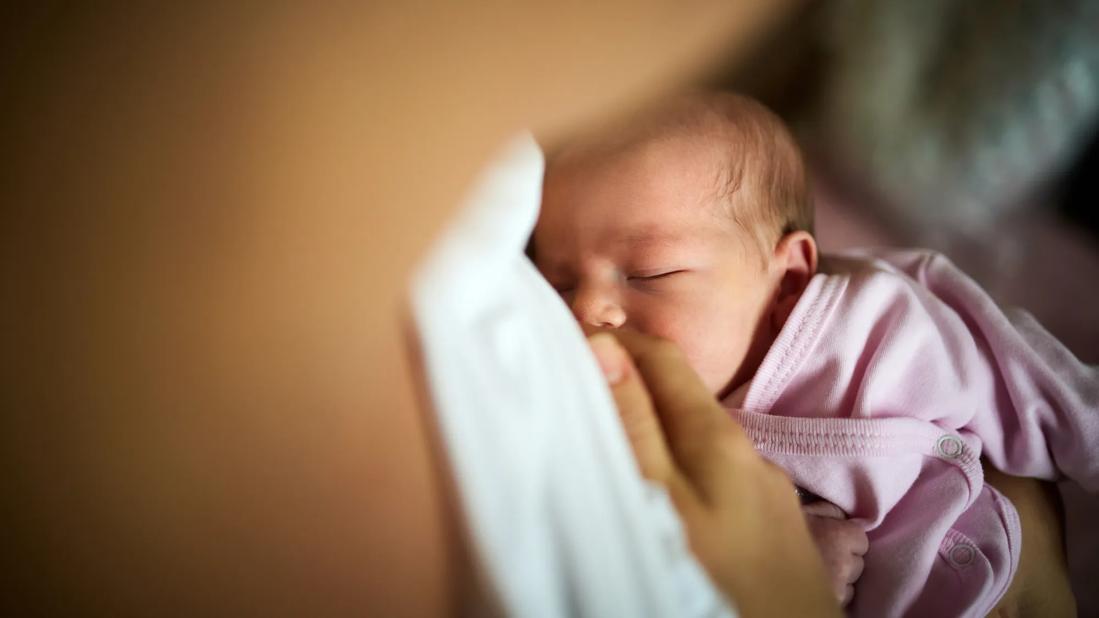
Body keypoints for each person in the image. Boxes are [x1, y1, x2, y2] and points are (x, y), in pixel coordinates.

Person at [531, 92, 1096, 615]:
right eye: (558, 283)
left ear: (788, 280)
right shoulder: (608, 433)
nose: (589, 310)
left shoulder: (874, 322)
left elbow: (1022, 378)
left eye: (650, 272)